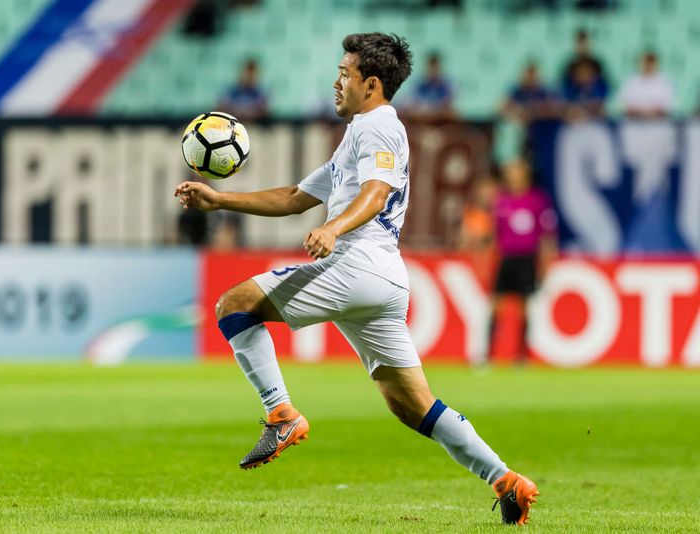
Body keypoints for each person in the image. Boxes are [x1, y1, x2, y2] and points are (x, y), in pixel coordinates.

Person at [175, 32, 538, 526]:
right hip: (383, 279)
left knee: (233, 304)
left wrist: (334, 227)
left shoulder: (379, 127)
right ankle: (506, 480)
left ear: (371, 84)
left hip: (356, 264)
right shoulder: (359, 132)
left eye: (344, 74)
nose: (336, 82)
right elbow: (294, 198)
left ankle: (280, 413)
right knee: (414, 406)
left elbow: (376, 190)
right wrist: (220, 200)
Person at [487, 159, 558, 364]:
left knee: (524, 307)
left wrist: (546, 264)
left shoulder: (537, 200)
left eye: (515, 170)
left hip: (527, 259)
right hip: (506, 258)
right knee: (496, 305)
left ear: (524, 173)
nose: (511, 175)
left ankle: (522, 355)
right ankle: (488, 355)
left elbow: (547, 236)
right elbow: (494, 235)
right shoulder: (501, 200)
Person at [620, 51, 674, 119]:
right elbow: (625, 103)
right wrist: (641, 112)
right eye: (645, 63)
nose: (648, 66)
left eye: (650, 63)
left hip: (658, 121)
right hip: (634, 121)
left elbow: (667, 105)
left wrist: (652, 113)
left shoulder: (664, 82)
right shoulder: (632, 81)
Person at [403, 52, 457, 120]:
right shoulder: (419, 83)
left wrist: (434, 110)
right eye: (431, 67)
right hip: (422, 115)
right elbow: (411, 102)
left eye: (435, 67)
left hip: (440, 116)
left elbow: (449, 103)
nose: (433, 70)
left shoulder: (446, 83)